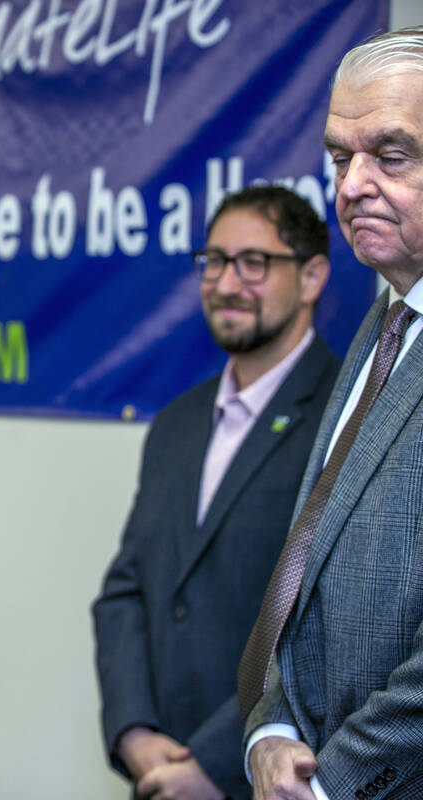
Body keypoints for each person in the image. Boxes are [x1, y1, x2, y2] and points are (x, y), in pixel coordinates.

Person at [93, 186, 337, 800]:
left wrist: (216, 762)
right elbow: (127, 590)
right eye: (215, 261)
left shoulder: (347, 417)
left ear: (311, 278)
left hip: (271, 778)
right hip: (160, 773)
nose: (228, 282)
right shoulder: (176, 423)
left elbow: (330, 625)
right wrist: (135, 734)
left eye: (255, 263)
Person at [240, 27, 423, 800]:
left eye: (391, 155)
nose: (350, 187)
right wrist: (273, 730)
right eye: (340, 158)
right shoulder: (382, 330)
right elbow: (310, 563)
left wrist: (332, 784)